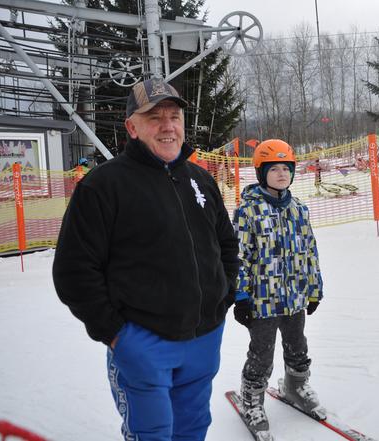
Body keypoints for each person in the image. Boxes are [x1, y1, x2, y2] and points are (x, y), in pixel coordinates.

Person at [52, 77, 240, 441]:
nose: (168, 126)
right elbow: (74, 271)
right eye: (155, 117)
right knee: (151, 433)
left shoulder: (201, 180)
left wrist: (224, 297)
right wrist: (116, 334)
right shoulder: (102, 186)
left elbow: (226, 245)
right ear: (131, 127)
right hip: (143, 343)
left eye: (174, 116)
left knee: (194, 429)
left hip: (204, 340)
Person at [231, 139, 324, 435]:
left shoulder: (299, 209)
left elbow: (310, 251)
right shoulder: (248, 211)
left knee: (298, 345)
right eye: (275, 169)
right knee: (262, 352)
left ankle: (296, 386)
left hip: (295, 297)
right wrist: (241, 295)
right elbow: (238, 256)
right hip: (263, 301)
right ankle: (252, 398)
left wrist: (314, 289)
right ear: (261, 173)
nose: (282, 173)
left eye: (287, 168)